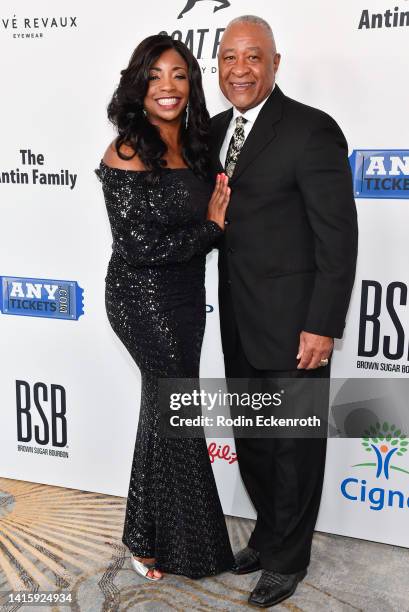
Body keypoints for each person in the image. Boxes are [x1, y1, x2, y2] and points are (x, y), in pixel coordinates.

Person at [210, 15, 358, 607]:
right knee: (254, 440)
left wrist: (323, 323)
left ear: (275, 64)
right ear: (217, 66)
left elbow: (337, 240)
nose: (239, 69)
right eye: (228, 58)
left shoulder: (312, 130)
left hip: (298, 325)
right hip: (239, 321)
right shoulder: (215, 130)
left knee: (294, 446)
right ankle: (269, 537)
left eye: (253, 57)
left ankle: (289, 560)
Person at [95, 34, 234, 581]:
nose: (168, 87)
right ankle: (190, 548)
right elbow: (139, 248)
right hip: (139, 298)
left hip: (184, 296)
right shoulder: (127, 150)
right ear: (139, 85)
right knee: (177, 409)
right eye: (155, 76)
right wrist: (212, 230)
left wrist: (214, 226)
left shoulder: (198, 148)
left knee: (164, 408)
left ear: (190, 83)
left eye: (178, 74)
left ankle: (143, 535)